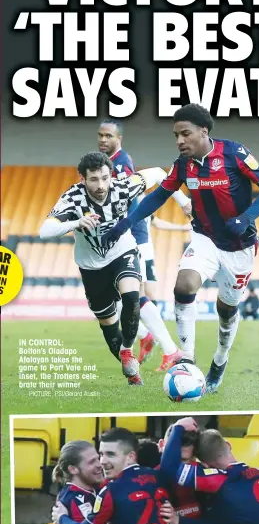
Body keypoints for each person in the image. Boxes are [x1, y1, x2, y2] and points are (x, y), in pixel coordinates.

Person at [101, 104, 259, 393]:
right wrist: (125, 224)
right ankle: (187, 358)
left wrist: (245, 218)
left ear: (203, 131)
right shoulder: (183, 165)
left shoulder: (234, 153)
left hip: (239, 246)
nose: (179, 141)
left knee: (227, 310)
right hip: (204, 238)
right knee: (184, 286)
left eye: (185, 134)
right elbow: (158, 195)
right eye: (176, 135)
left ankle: (219, 361)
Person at [39, 151, 173, 386]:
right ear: (82, 179)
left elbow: (160, 173)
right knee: (109, 327)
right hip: (91, 267)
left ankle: (128, 349)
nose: (101, 185)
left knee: (132, 297)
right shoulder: (72, 198)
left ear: (110, 174)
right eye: (93, 179)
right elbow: (45, 230)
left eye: (104, 177)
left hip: (123, 252)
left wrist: (184, 203)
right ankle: (131, 371)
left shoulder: (123, 187)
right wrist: (76, 222)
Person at [98, 119, 189, 372]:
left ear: (119, 139)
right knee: (121, 296)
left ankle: (168, 348)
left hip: (131, 237)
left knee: (132, 295)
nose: (103, 140)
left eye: (108, 136)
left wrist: (184, 203)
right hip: (124, 236)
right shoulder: (109, 164)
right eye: (100, 135)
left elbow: (155, 178)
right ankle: (151, 339)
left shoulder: (121, 164)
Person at [52, 428, 170, 524]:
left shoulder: (110, 490)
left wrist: (61, 518)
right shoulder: (158, 476)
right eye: (101, 455)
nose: (102, 462)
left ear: (131, 456)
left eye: (110, 455)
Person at [158, 425, 218, 524]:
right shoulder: (149, 480)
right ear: (161, 446)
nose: (180, 470)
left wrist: (179, 521)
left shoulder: (207, 478)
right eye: (174, 459)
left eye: (186, 462)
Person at [47, 441, 110, 524]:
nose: (99, 464)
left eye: (98, 458)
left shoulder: (95, 488)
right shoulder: (72, 497)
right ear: (73, 469)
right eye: (91, 462)